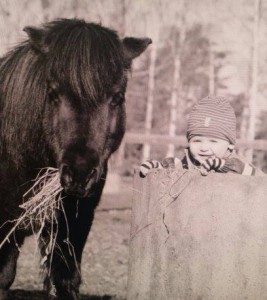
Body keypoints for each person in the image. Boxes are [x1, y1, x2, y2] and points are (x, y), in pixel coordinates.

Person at [139, 95, 265, 177]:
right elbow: (169, 167)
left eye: (213, 141)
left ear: (230, 144)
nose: (204, 147)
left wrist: (223, 165)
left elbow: (260, 181)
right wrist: (155, 168)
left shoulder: (238, 165)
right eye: (197, 140)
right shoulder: (185, 163)